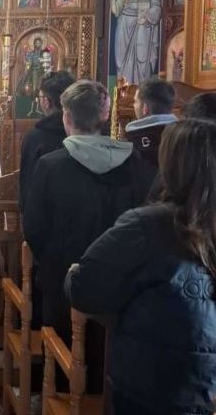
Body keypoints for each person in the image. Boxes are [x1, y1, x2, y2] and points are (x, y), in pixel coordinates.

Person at [66, 119, 216, 414]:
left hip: (153, 388)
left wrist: (72, 275)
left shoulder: (149, 225)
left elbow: (84, 287)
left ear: (172, 166)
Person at [23, 80, 155, 363]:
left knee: (63, 359)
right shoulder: (136, 164)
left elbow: (34, 229)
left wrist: (57, 263)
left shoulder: (50, 166)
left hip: (63, 284)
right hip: (122, 286)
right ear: (105, 115)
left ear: (66, 117)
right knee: (109, 360)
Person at [18, 70, 74, 212]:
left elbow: (27, 188)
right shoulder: (83, 132)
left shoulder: (34, 139)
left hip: (44, 217)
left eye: (40, 96)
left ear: (46, 102)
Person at [111, 0, 162, 83]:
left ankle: (141, 87)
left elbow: (157, 8)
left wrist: (144, 13)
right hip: (124, 28)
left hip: (141, 28)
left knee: (141, 57)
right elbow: (116, 10)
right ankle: (124, 88)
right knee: (122, 59)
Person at [125, 77, 177, 168]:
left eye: (135, 101)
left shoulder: (132, 142)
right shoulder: (183, 136)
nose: (133, 105)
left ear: (145, 108)